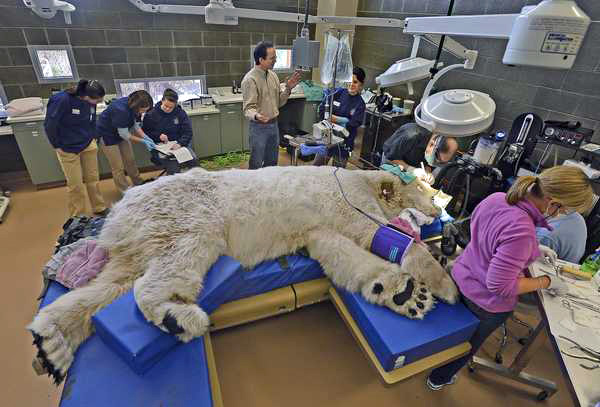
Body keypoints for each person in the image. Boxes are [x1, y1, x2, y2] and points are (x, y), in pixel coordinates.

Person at [426, 165, 594, 391]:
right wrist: (547, 282)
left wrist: (535, 247)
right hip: (484, 303)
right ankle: (439, 378)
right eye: (564, 211)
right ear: (553, 203)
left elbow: (482, 234)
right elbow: (499, 285)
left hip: (461, 276)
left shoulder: (497, 198)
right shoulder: (522, 230)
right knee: (464, 347)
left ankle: (429, 363)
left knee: (447, 334)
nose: (562, 216)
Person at [44, 79, 108, 217]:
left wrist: (94, 137)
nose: (98, 103)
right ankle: (79, 216)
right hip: (67, 148)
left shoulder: (90, 102)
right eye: (97, 100)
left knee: (93, 179)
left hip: (88, 143)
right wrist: (57, 146)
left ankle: (99, 207)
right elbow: (50, 125)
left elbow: (92, 120)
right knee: (76, 185)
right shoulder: (61, 100)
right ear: (85, 96)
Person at [241, 41, 301, 169]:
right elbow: (248, 109)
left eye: (276, 57)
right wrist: (257, 116)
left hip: (274, 125)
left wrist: (288, 89)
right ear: (261, 59)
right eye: (272, 58)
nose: (275, 60)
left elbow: (279, 102)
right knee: (256, 163)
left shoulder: (273, 76)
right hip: (259, 127)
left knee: (272, 162)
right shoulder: (250, 80)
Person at [96, 90, 156, 193]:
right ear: (136, 106)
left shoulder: (134, 107)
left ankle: (138, 182)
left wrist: (145, 137)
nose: (143, 112)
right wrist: (143, 141)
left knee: (130, 160)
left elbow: (134, 124)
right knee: (118, 166)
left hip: (121, 132)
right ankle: (125, 190)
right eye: (143, 110)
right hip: (107, 135)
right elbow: (124, 134)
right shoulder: (120, 110)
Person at [312, 67, 367, 168]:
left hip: (344, 144)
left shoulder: (360, 104)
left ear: (361, 85)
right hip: (327, 138)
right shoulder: (338, 93)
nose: (351, 84)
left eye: (355, 82)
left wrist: (335, 119)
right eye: (350, 81)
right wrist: (332, 118)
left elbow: (353, 124)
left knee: (337, 174)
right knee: (317, 167)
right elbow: (322, 109)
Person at [142, 88, 196, 175]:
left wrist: (180, 143)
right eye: (166, 106)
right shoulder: (151, 115)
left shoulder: (180, 113)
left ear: (175, 104)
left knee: (194, 162)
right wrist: (158, 136)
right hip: (160, 147)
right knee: (173, 167)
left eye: (171, 107)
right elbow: (146, 133)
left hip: (178, 145)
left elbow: (188, 132)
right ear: (162, 101)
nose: (167, 109)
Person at [382, 122, 458, 184]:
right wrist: (411, 169)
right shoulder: (410, 135)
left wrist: (428, 171)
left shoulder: (438, 151)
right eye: (436, 159)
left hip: (412, 168)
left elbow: (430, 163)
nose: (437, 162)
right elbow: (390, 157)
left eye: (440, 162)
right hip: (392, 163)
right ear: (432, 144)